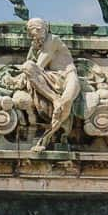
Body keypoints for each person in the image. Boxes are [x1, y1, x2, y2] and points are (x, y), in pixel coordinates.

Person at [20, 18, 81, 151]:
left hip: (66, 77)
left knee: (66, 102)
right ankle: (55, 99)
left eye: (39, 29)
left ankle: (48, 135)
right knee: (28, 67)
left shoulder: (52, 40)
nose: (36, 32)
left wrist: (20, 79)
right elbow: (30, 65)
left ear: (45, 29)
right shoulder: (36, 44)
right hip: (50, 77)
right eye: (32, 30)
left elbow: (39, 65)